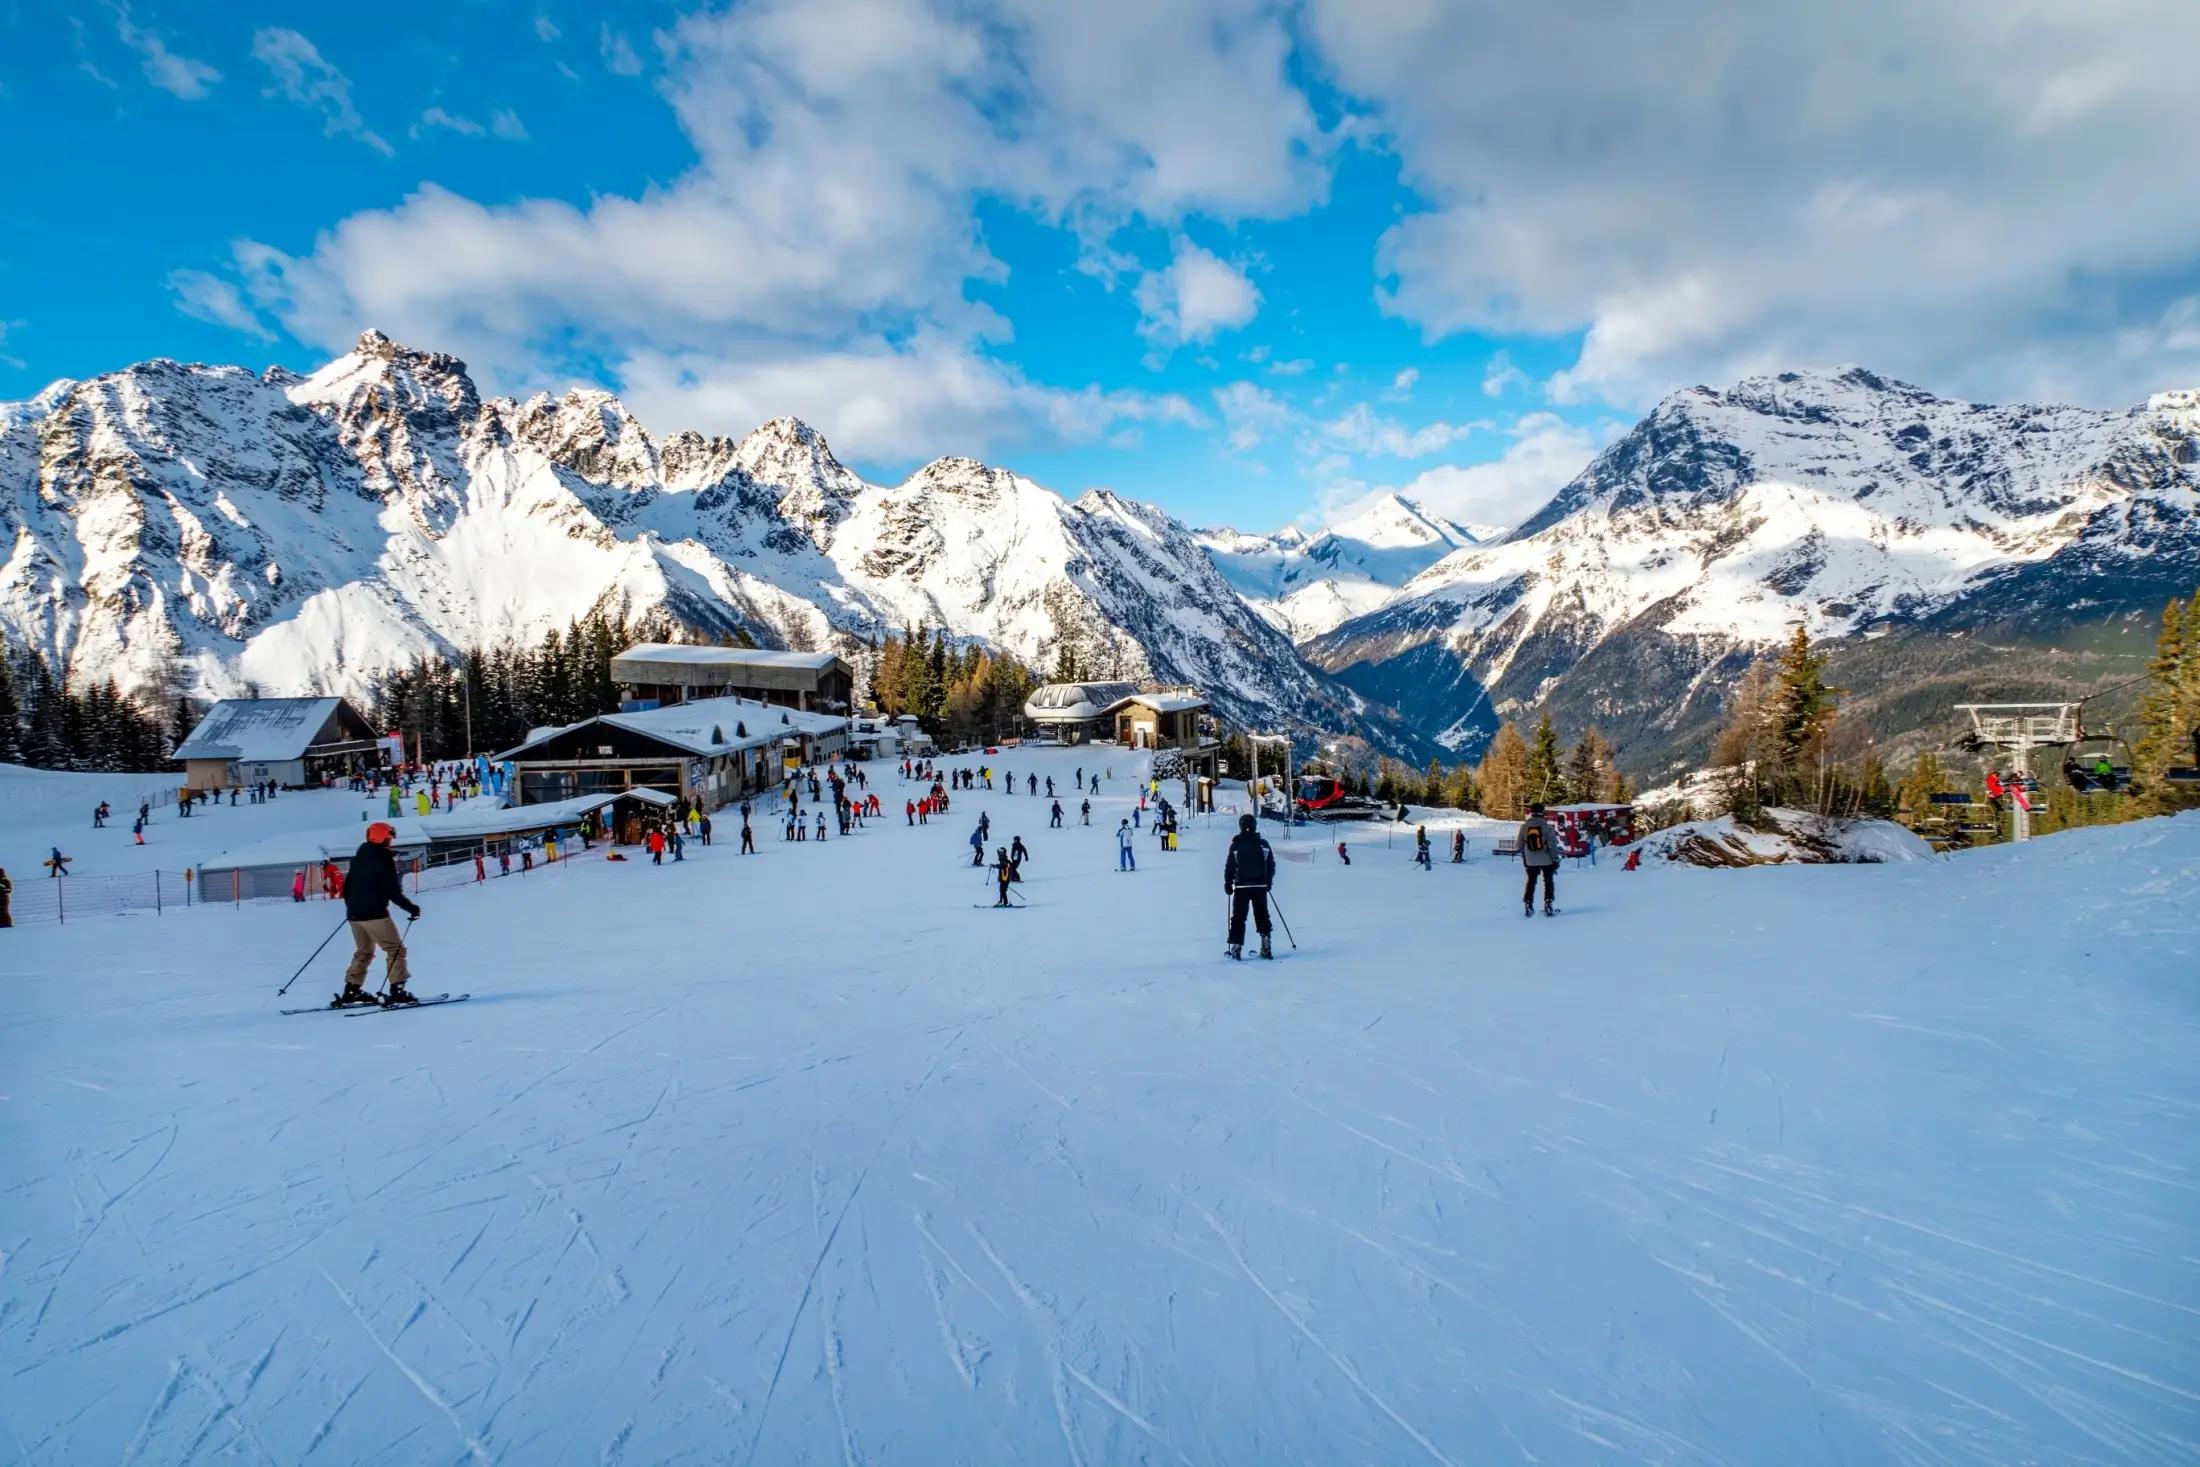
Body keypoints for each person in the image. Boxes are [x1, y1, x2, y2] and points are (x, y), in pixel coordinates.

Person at [334, 822, 421, 1007]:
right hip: (375, 915)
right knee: (395, 950)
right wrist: (411, 908)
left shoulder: (357, 859)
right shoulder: (384, 860)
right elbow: (392, 891)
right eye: (389, 838)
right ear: (383, 838)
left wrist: (354, 908)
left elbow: (346, 888)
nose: (391, 842)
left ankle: (352, 990)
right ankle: (397, 991)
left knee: (364, 951)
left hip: (354, 915)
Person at [1223, 814, 1275, 960]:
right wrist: (1268, 882)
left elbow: (1230, 865)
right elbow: (1271, 865)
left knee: (1238, 917)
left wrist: (1228, 882)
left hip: (1241, 887)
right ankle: (1266, 947)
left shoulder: (1236, 844)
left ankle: (1236, 948)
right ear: (1254, 826)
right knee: (1262, 914)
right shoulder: (1263, 844)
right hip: (1260, 886)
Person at [1518, 802, 1560, 916]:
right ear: (1542, 813)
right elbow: (1552, 845)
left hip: (1530, 860)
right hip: (1546, 859)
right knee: (1548, 881)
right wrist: (1555, 860)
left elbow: (1520, 845)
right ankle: (1548, 904)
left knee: (1531, 881)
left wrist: (1525, 858)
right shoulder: (1547, 827)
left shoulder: (1524, 827)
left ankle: (1528, 904)